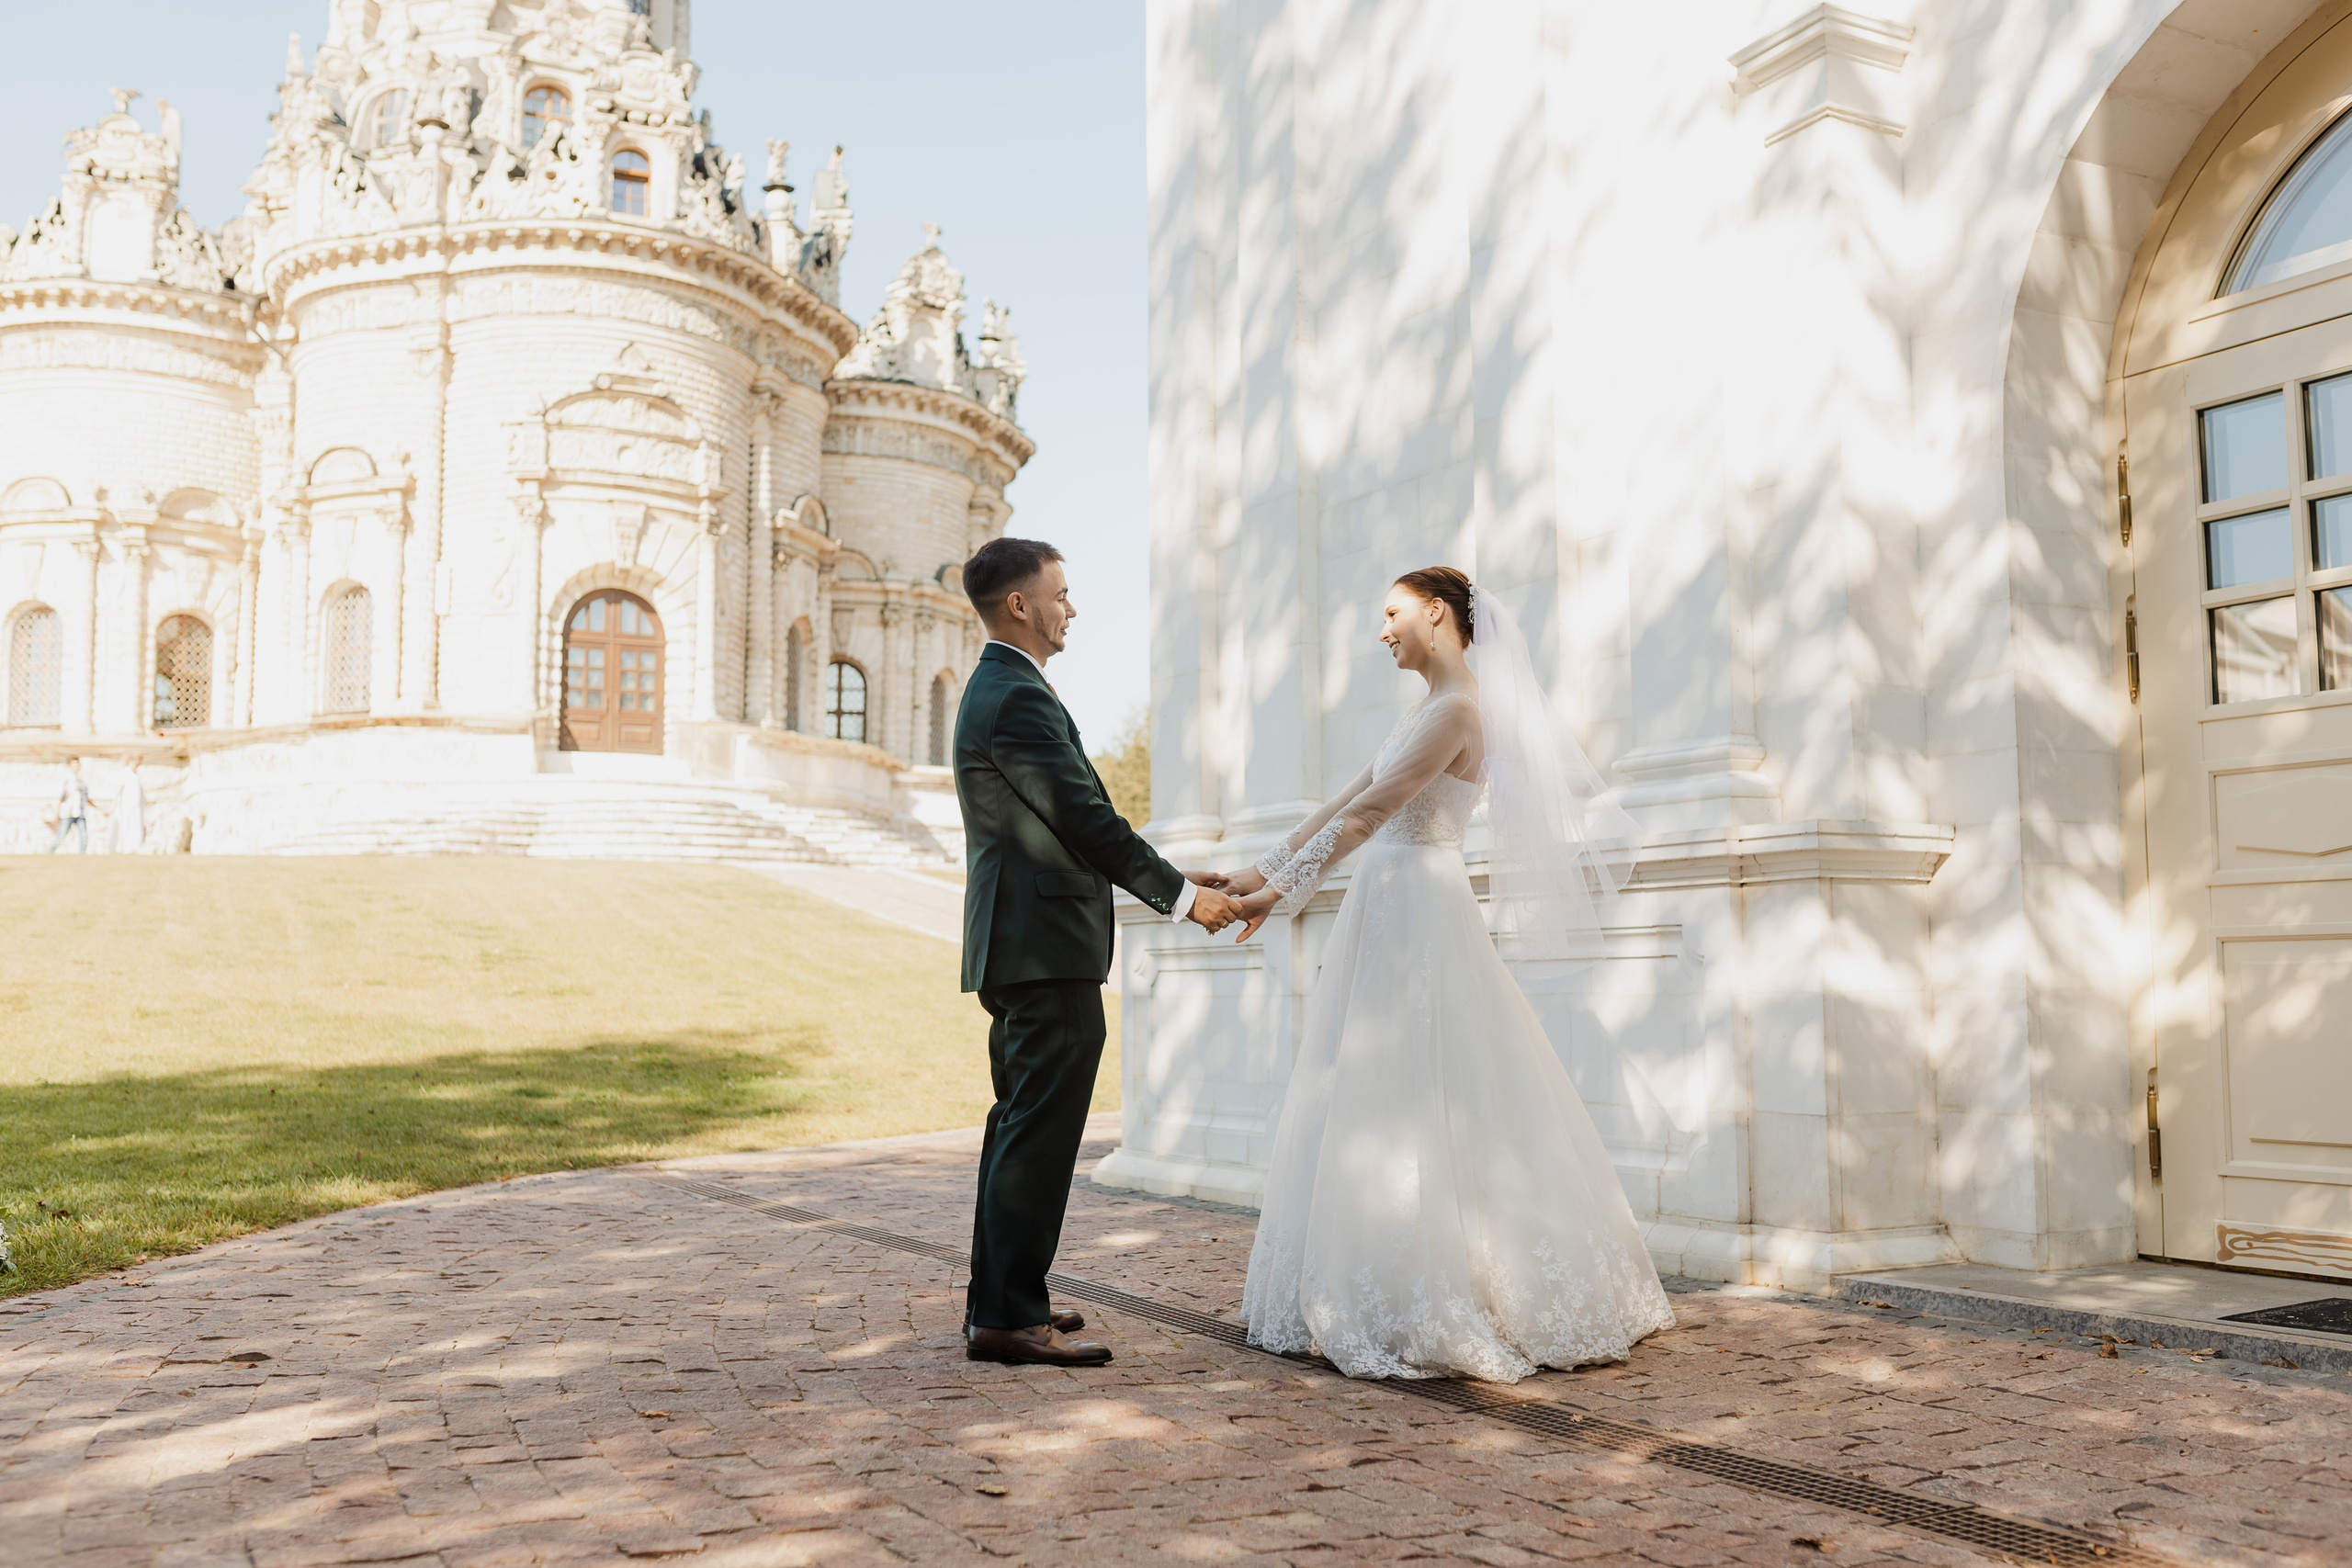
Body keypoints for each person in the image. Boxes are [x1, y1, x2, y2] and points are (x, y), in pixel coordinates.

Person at [1212, 568, 1675, 1382]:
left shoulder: (1461, 709)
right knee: (1371, 1085)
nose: (1382, 630)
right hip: (1385, 903)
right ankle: (1375, 1266)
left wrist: (1280, 893)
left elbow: (1371, 813)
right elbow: (1340, 801)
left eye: (1390, 613)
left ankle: (1437, 1285)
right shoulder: (1429, 709)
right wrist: (1250, 875)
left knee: (1421, 1086)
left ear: (1436, 612)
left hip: (1417, 904)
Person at [953, 536, 1243, 1368]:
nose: (1071, 607)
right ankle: (1007, 1315)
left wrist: (1173, 870)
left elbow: (1059, 828)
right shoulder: (1015, 696)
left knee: (1021, 1126)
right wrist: (1183, 899)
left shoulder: (1008, 688)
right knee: (1037, 1131)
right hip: (1043, 948)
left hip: (1028, 942)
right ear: (1021, 605)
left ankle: (1005, 1299)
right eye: (1061, 592)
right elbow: (1084, 816)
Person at [45, 756, 100, 854]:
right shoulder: (66, 781)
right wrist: (56, 815)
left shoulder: (82, 782)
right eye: (75, 764)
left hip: (80, 813)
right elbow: (60, 799)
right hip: (67, 813)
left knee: (84, 837)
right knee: (61, 836)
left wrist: (101, 809)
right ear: (69, 766)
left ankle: (82, 856)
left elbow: (87, 799)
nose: (77, 767)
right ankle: (48, 852)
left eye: (78, 764)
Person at [108, 755, 148, 854]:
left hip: (137, 806)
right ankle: (126, 847)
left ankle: (136, 846)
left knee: (137, 826)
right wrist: (114, 806)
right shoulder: (124, 773)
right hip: (126, 805)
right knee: (127, 826)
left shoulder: (137, 774)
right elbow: (118, 790)